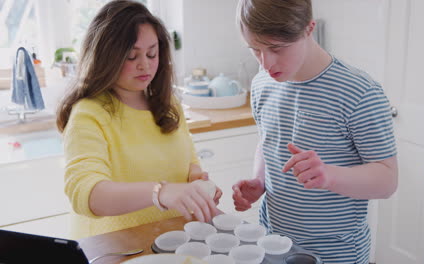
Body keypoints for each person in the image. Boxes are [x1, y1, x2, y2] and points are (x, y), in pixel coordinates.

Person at [232, 0, 398, 263]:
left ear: (309, 28)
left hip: (336, 253)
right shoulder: (263, 83)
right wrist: (259, 181)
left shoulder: (359, 92)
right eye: (255, 50)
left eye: (276, 48)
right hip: (273, 244)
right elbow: (268, 141)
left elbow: (387, 181)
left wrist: (329, 175)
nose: (266, 63)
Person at [56, 0, 221, 239]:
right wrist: (161, 192)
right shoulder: (89, 114)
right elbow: (86, 194)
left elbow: (190, 164)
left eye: (152, 53)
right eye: (132, 56)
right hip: (115, 247)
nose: (145, 65)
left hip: (169, 239)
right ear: (107, 58)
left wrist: (196, 184)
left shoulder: (168, 104)